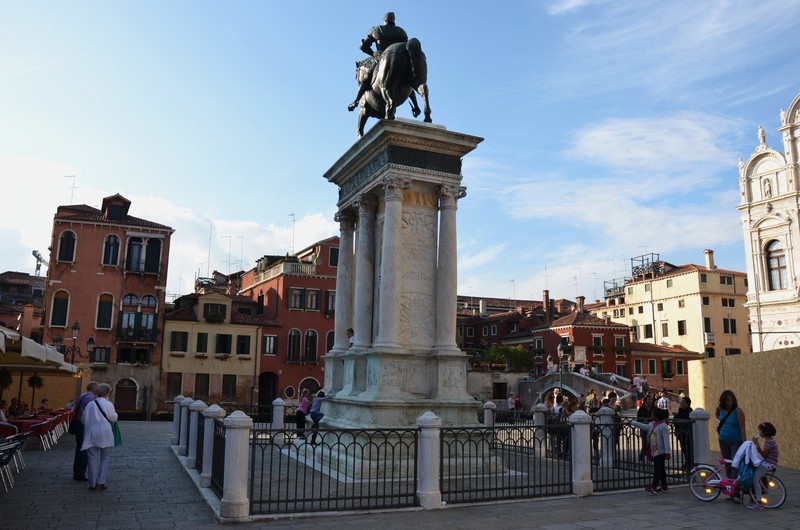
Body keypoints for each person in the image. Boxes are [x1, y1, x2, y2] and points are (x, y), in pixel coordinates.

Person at [348, 12, 409, 112]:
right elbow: (406, 48)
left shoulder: (377, 29)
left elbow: (363, 46)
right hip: (398, 61)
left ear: (384, 20)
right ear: (394, 20)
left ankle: (356, 101)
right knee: (407, 78)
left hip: (381, 58)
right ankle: (415, 105)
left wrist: (374, 54)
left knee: (367, 77)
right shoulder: (401, 32)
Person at [81, 383, 118, 491]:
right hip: (105, 433)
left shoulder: (90, 404)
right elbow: (113, 418)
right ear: (107, 393)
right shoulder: (108, 404)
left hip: (92, 433)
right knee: (105, 457)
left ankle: (92, 483)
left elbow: (83, 419)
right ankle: (101, 482)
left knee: (92, 457)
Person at [630, 407, 671, 493]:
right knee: (661, 468)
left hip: (660, 451)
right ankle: (664, 486)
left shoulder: (663, 426)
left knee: (657, 469)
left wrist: (667, 452)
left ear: (656, 416)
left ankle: (654, 486)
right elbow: (643, 426)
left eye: (652, 414)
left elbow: (666, 440)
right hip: (654, 450)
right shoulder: (652, 424)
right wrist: (632, 422)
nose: (651, 415)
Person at [715, 389, 746, 479]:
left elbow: (742, 428)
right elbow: (718, 416)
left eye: (731, 400)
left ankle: (735, 485)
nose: (729, 403)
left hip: (736, 441)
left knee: (735, 463)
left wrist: (744, 444)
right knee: (726, 463)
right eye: (727, 400)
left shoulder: (738, 411)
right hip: (723, 440)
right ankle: (730, 484)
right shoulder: (720, 409)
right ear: (723, 401)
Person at [748, 422, 779, 510]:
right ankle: (757, 493)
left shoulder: (769, 442)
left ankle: (759, 502)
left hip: (768, 463)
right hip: (768, 461)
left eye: (760, 431)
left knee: (755, 478)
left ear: (765, 432)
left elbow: (764, 454)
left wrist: (756, 443)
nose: (759, 433)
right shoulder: (770, 441)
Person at [72, 381, 98, 482]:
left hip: (78, 423)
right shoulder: (90, 398)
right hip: (83, 425)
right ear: (93, 388)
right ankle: (80, 473)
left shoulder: (82, 396)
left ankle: (77, 472)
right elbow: (90, 413)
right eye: (97, 388)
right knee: (84, 449)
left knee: (79, 448)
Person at [673, 396, 694, 471]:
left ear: (687, 403)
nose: (681, 403)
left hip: (686, 434)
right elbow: (676, 419)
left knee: (688, 449)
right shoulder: (681, 410)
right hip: (681, 433)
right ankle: (687, 463)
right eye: (681, 401)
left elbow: (681, 419)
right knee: (684, 449)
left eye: (683, 402)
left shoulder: (689, 411)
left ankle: (689, 464)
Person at [637, 394, 655, 461]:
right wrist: (643, 420)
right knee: (645, 442)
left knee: (652, 441)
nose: (650, 401)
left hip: (652, 427)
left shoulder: (654, 408)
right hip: (644, 427)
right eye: (649, 400)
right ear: (645, 401)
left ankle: (650, 455)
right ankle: (642, 456)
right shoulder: (642, 408)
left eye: (651, 400)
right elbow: (638, 418)